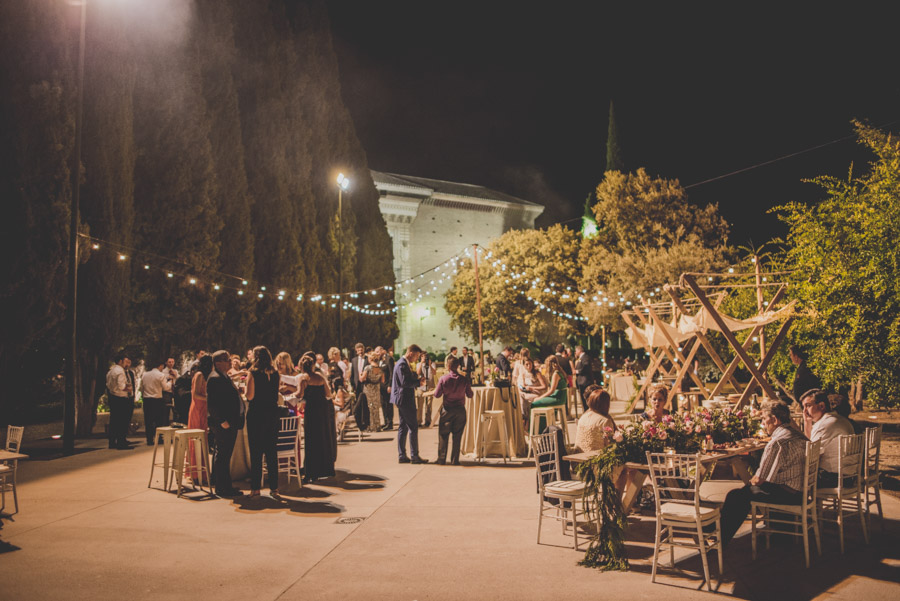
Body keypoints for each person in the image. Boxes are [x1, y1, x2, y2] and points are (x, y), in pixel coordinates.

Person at [720, 401, 809, 544]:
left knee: (736, 496)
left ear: (774, 419)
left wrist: (750, 484)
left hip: (788, 494)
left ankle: (720, 539)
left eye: (764, 419)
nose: (762, 423)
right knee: (743, 493)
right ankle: (718, 530)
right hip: (802, 491)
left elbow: (761, 479)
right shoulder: (798, 435)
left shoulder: (777, 442)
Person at [206, 350, 245, 497]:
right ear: (218, 363)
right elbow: (212, 404)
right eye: (226, 359)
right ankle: (223, 488)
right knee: (223, 455)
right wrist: (222, 421)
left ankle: (225, 485)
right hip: (224, 423)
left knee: (225, 455)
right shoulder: (214, 378)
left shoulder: (224, 376)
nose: (230, 362)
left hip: (231, 421)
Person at [801, 389, 855, 488]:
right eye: (803, 407)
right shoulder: (838, 419)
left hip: (834, 478)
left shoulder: (825, 424)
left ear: (821, 406)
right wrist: (807, 423)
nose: (804, 411)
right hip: (848, 476)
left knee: (793, 477)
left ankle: (804, 503)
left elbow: (810, 455)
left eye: (808, 406)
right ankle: (811, 503)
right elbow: (811, 445)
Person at [244, 346, 280, 497]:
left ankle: (255, 488)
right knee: (272, 452)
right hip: (272, 414)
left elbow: (250, 396)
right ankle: (274, 488)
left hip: (257, 414)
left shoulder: (253, 373)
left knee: (256, 452)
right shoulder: (276, 373)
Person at [298, 352, 337, 482]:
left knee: (310, 441)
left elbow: (300, 394)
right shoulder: (320, 377)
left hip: (311, 411)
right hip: (322, 410)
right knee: (322, 438)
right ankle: (324, 468)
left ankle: (310, 472)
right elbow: (328, 393)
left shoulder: (304, 378)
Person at [391, 344, 429, 464]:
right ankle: (414, 456)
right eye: (417, 356)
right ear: (411, 353)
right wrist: (418, 383)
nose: (417, 359)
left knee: (403, 427)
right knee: (413, 427)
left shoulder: (402, 363)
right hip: (405, 399)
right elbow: (404, 382)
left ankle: (402, 455)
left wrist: (416, 379)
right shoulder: (402, 364)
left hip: (401, 399)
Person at [433, 355, 473, 465]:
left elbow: (437, 395)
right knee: (457, 436)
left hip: (447, 410)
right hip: (460, 410)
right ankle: (455, 459)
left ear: (448, 366)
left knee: (443, 435)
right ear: (458, 366)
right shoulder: (464, 379)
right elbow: (470, 395)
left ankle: (441, 459)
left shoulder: (443, 379)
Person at [187, 355, 214, 482]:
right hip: (197, 409)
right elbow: (196, 394)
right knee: (196, 440)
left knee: (203, 440)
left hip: (203, 409)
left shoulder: (206, 376)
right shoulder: (199, 375)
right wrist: (209, 399)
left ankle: (201, 471)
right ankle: (196, 473)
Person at [531, 355, 569, 431]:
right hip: (559, 397)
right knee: (539, 402)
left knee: (534, 404)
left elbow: (551, 390)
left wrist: (540, 397)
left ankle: (538, 430)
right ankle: (544, 428)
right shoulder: (559, 372)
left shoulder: (556, 374)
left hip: (557, 398)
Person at [105, 351, 133, 449]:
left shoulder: (111, 371)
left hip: (113, 397)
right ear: (120, 361)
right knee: (122, 421)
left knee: (114, 421)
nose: (127, 364)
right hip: (121, 398)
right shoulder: (120, 371)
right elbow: (122, 386)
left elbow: (108, 385)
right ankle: (121, 443)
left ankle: (112, 442)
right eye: (125, 361)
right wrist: (128, 389)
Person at [141, 360, 171, 446]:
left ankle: (149, 439)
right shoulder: (161, 375)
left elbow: (142, 388)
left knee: (148, 420)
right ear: (160, 366)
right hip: (157, 399)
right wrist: (170, 382)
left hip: (147, 400)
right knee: (159, 420)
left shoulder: (145, 374)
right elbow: (165, 388)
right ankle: (159, 439)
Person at [349, 342, 370, 431]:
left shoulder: (368, 359)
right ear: (356, 351)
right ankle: (360, 421)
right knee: (358, 403)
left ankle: (367, 421)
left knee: (366, 403)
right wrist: (352, 385)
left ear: (363, 350)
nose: (360, 351)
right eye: (358, 350)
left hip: (366, 384)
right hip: (357, 385)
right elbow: (353, 374)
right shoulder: (353, 360)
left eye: (361, 350)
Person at [362, 352, 384, 432]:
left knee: (370, 407)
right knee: (376, 407)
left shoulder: (367, 368)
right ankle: (378, 426)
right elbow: (382, 380)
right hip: (376, 389)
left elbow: (362, 378)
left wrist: (360, 375)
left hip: (369, 390)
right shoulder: (380, 368)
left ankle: (372, 426)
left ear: (370, 359)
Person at [377, 346, 395, 431]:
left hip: (387, 385)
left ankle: (390, 422)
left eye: (378, 352)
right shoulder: (379, 360)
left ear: (382, 351)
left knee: (388, 404)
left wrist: (390, 385)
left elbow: (392, 373)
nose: (377, 354)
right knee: (383, 404)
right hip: (381, 386)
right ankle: (385, 421)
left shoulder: (389, 359)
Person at [417, 353, 436, 427]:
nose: (425, 358)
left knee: (429, 405)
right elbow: (418, 373)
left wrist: (430, 365)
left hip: (430, 387)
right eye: (423, 357)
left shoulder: (432, 364)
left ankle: (428, 421)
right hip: (421, 387)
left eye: (426, 357)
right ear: (421, 357)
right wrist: (422, 363)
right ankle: (418, 421)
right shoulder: (418, 364)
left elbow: (434, 373)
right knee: (420, 405)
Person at [574, 346, 593, 412]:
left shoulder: (585, 357)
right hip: (582, 382)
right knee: (583, 400)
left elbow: (586, 366)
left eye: (576, 351)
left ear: (579, 351)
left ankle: (587, 412)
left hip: (585, 382)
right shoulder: (581, 358)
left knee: (586, 399)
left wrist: (577, 371)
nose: (575, 352)